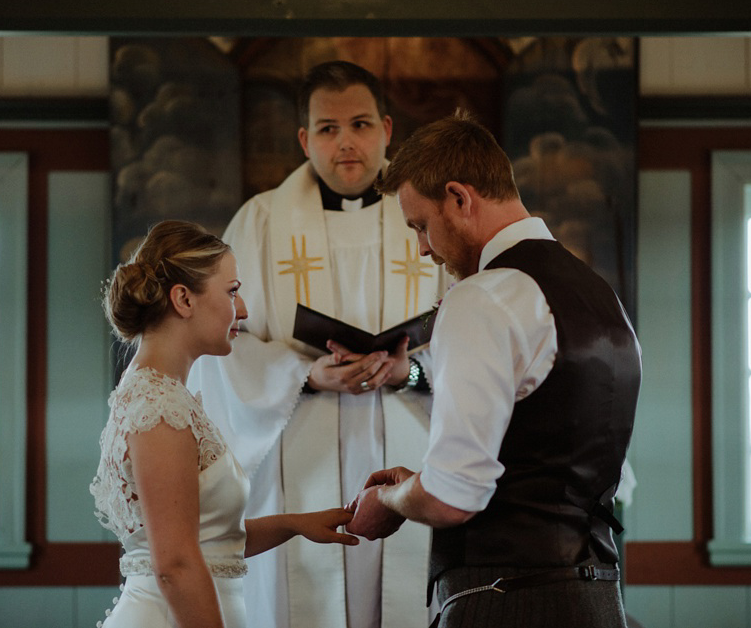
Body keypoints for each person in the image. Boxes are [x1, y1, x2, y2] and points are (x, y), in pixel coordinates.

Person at [345, 110, 641, 628]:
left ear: (459, 198)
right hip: (598, 601)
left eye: (420, 225)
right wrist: (421, 478)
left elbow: (451, 499)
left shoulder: (482, 297)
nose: (422, 248)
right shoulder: (598, 294)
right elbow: (543, 463)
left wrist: (389, 499)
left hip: (507, 601)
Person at [188, 61, 452, 628]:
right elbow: (216, 348)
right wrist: (304, 375)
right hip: (295, 458)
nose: (345, 142)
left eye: (359, 125)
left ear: (386, 130)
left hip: (411, 449)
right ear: (306, 139)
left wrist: (408, 371)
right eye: (328, 129)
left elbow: (470, 333)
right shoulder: (260, 223)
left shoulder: (429, 217)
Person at [90, 220, 359, 628]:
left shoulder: (159, 393)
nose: (244, 309)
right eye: (232, 292)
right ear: (183, 299)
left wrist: (294, 523)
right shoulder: (159, 408)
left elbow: (206, 540)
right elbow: (176, 565)